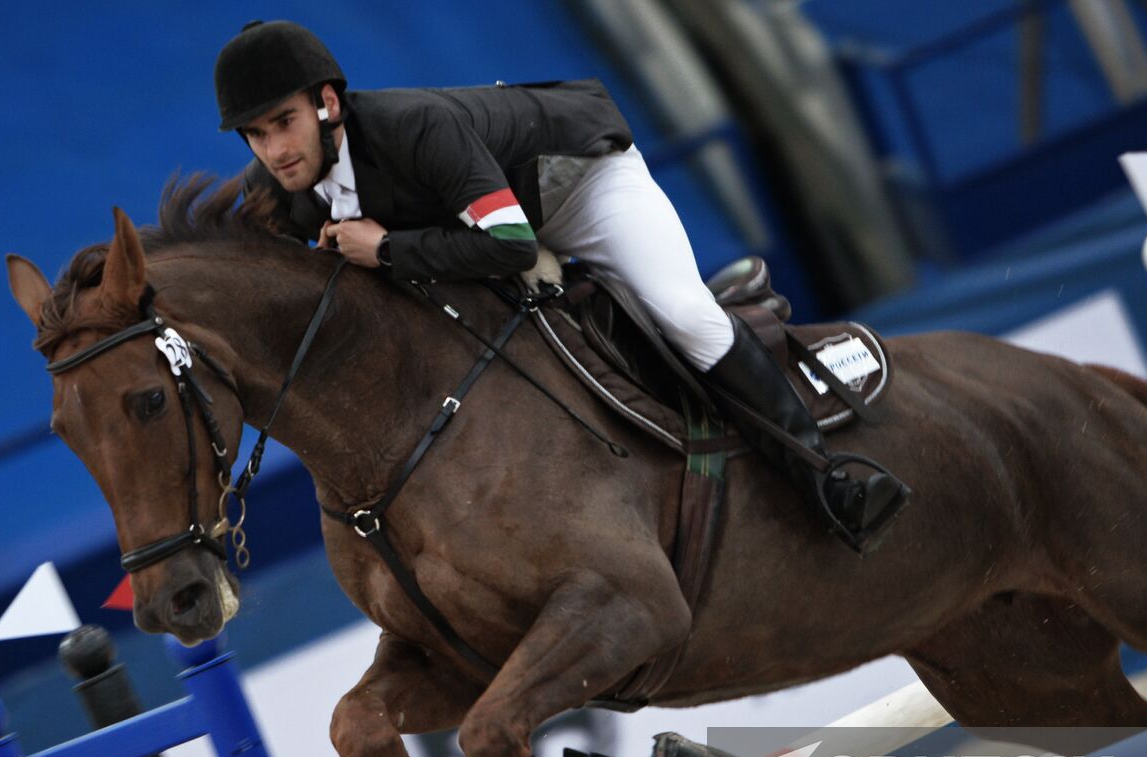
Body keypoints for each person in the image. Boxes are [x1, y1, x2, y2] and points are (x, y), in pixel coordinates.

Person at [214, 20, 907, 549]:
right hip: (483, 231)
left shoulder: (413, 126)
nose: (275, 149)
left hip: (576, 187)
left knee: (682, 312)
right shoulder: (280, 184)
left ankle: (829, 481)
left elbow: (510, 244)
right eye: (255, 134)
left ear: (328, 103)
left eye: (285, 123)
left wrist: (388, 248)